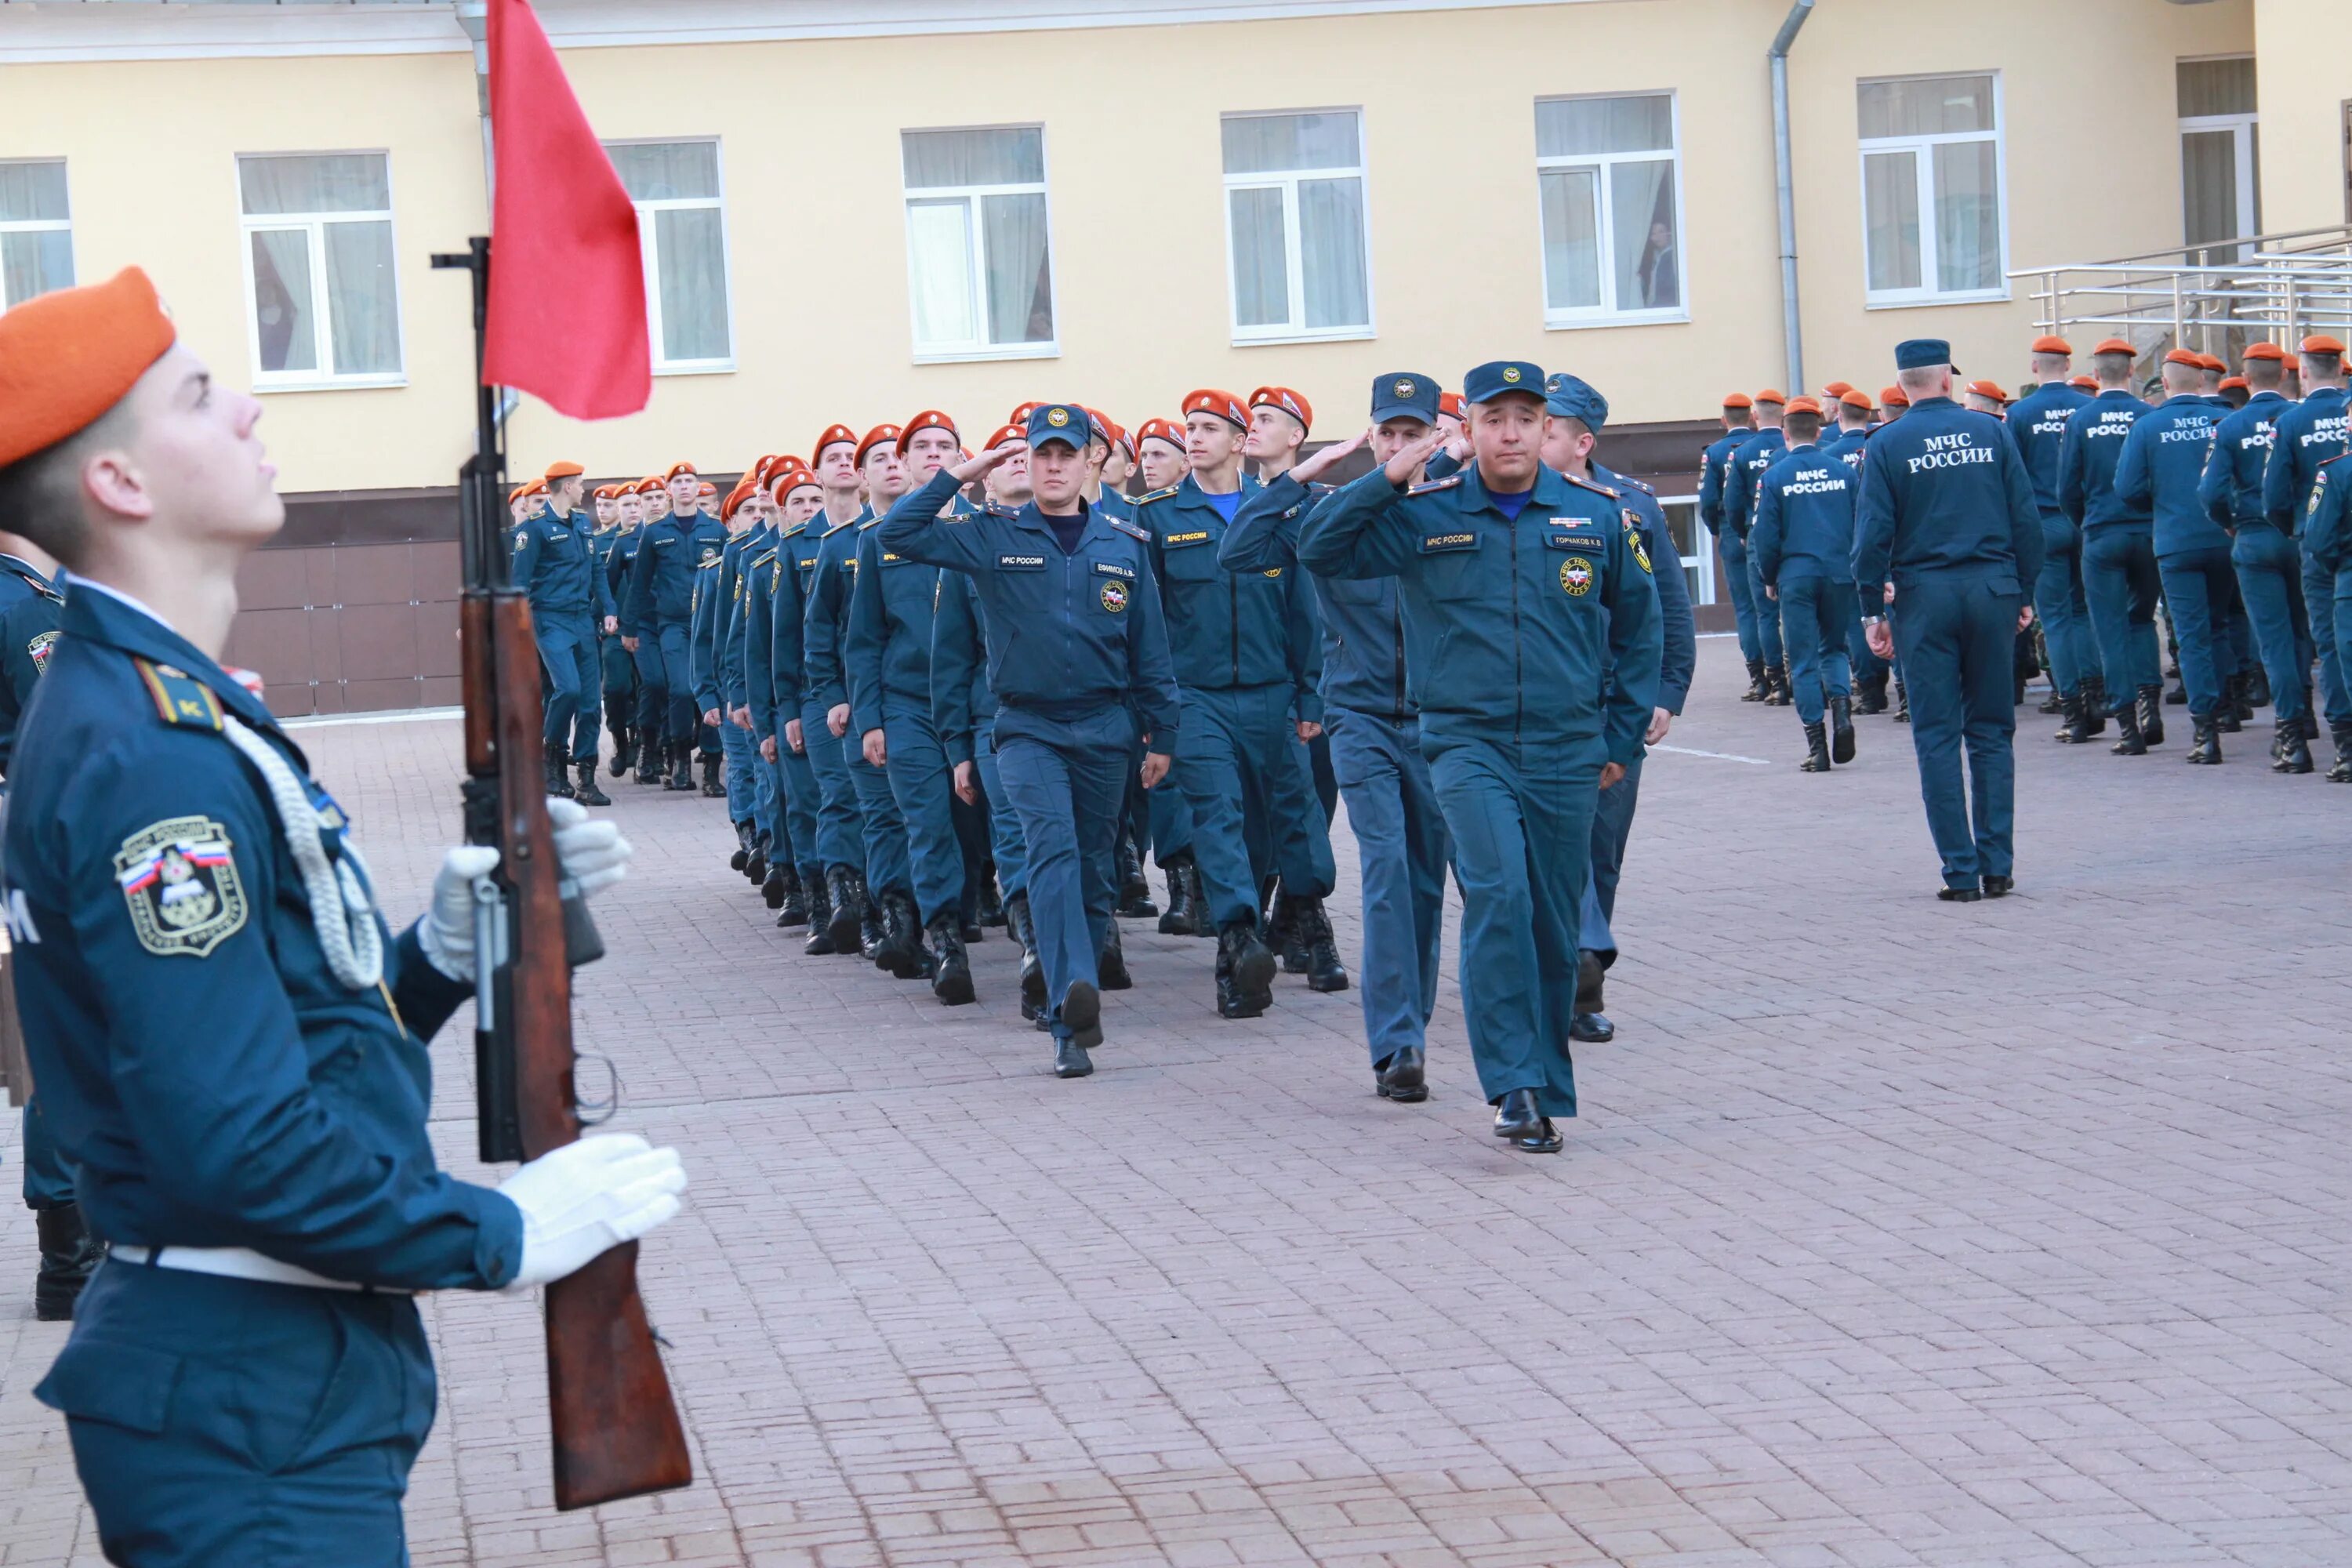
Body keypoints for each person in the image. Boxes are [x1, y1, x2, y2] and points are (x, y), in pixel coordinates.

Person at [0, 266, 685, 1565]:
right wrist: (506, 1233)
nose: (252, 409)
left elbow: (254, 1040)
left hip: (268, 1374)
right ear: (122, 486)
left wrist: (431, 959)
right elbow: (235, 1140)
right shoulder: (153, 752)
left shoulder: (156, 710)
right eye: (201, 396)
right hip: (245, 1390)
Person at [1299, 359, 1661, 1156]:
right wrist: (1392, 471)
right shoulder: (1426, 513)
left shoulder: (1595, 515)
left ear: (1544, 429)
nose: (1509, 433)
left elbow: (1641, 626)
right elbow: (1321, 546)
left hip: (1568, 748)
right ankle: (1517, 1088)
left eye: (1525, 419)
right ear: (1468, 429)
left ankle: (1542, 1075)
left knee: (1550, 917)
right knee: (1496, 892)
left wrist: (1620, 738)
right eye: (1493, 418)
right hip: (1466, 742)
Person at [881, 403, 1179, 1078]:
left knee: (1097, 866)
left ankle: (1080, 988)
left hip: (1107, 727)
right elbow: (899, 533)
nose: (1051, 465)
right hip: (1026, 728)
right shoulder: (991, 535)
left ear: (1088, 461)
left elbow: (1151, 651)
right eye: (1041, 453)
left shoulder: (1123, 544)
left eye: (1065, 454)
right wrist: (962, 472)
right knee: (1050, 851)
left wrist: (1164, 732)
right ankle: (1066, 1009)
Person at [1221, 372, 1454, 1102]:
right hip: (1358, 717)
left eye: (1414, 434)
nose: (1400, 446)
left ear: (1439, 439)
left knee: (1424, 880)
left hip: (1440, 721)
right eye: (1388, 433)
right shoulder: (1332, 511)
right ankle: (1397, 1046)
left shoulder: (1456, 511)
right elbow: (1239, 549)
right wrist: (1304, 473)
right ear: (1372, 439)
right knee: (1384, 870)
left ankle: (1408, 1018)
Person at [1139, 389, 1340, 1018]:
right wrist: (1155, 706)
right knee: (1218, 818)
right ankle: (1237, 943)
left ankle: (1308, 916)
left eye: (1209, 428)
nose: (1193, 438)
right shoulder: (1159, 516)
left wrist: (1309, 694)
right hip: (1195, 698)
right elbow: (1145, 622)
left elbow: (1302, 612)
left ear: (1238, 441)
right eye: (1189, 428)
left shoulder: (1277, 510)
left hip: (1272, 691)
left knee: (1297, 815)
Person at [1853, 339, 2044, 900]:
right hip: (1991, 591)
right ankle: (1998, 865)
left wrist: (1872, 611)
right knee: (1991, 731)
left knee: (1937, 735)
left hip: (1923, 598)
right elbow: (2025, 520)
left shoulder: (1886, 443)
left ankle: (1960, 873)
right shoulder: (1992, 431)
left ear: (1904, 385)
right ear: (1945, 380)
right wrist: (2023, 592)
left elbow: (1870, 539)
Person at [1540, 373, 1693, 1046]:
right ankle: (1551, 970)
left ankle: (1582, 980)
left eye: (1547, 428)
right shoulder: (1509, 499)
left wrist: (1667, 692)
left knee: (1600, 848)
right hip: (1543, 703)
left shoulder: (1631, 506)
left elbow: (1667, 606)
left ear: (1582, 442)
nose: (1529, 435)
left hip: (1614, 705)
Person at [0, 527, 93, 1320]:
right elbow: (63, 729)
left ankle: (72, 1245)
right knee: (57, 1035)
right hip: (35, 825)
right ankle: (71, 1255)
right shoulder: (25, 607)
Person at [853, 410, 978, 1000]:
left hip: (978, 705)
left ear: (964, 456)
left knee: (972, 824)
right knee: (927, 822)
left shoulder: (989, 529)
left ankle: (976, 912)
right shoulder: (879, 541)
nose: (933, 453)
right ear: (902, 464)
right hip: (909, 705)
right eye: (921, 446)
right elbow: (865, 638)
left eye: (944, 445)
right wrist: (871, 719)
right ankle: (945, 938)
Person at [933, 427, 1049, 1011]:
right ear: (985, 476)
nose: (1020, 466)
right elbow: (951, 657)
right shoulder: (970, 544)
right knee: (1014, 832)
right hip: (996, 718)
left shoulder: (1087, 536)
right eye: (1005, 458)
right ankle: (1034, 944)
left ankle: (1078, 937)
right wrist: (957, 747)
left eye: (1028, 456)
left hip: (1082, 718)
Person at [808, 425, 907, 958]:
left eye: (900, 456)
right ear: (863, 477)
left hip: (920, 696)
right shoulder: (840, 546)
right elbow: (819, 631)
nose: (892, 466)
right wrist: (832, 696)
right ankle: (875, 913)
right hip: (861, 698)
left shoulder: (937, 533)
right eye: (879, 460)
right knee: (873, 812)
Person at [778, 426, 875, 953]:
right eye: (831, 457)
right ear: (817, 472)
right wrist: (787, 707)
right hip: (819, 692)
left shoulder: (881, 532)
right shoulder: (797, 545)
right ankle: (831, 901)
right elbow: (786, 634)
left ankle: (873, 905)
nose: (842, 464)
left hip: (875, 688)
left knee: (875, 799)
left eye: (849, 457)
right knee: (832, 792)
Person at [2115, 350, 2230, 762]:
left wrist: (2162, 503)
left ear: (2165, 385)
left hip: (2175, 540)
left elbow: (2127, 489)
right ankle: (2222, 713)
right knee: (2219, 628)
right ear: (2201, 382)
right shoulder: (2224, 418)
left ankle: (2205, 734)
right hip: (2222, 537)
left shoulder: (2148, 426)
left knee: (2193, 635)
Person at [2201, 341, 2312, 771]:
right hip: (2303, 534)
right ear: (2285, 376)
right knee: (2306, 630)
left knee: (2274, 637)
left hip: (2253, 535)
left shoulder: (2230, 425)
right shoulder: (2300, 418)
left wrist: (2228, 520)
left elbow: (2210, 491)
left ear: (2245, 381)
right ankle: (2309, 716)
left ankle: (2291, 734)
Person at [2059, 338, 2163, 753]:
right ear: (2132, 372)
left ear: (2096, 375)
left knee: (2109, 627)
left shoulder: (2082, 420)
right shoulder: (2148, 416)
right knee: (2141, 620)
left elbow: (2067, 489)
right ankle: (2150, 706)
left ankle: (2126, 724)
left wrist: (2087, 524)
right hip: (2147, 531)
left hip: (2102, 533)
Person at [1752, 396, 1860, 772]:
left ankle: (1817, 747)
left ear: (1785, 433)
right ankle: (1843, 713)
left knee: (1802, 659)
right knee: (1833, 649)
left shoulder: (1774, 477)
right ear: (1819, 431)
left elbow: (1765, 536)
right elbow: (1860, 524)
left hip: (1795, 576)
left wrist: (1768, 578)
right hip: (1838, 572)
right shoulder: (1844, 472)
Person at [2266, 336, 2352, 777]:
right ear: (2341, 368)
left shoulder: (2292, 420)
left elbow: (2275, 496)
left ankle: (2344, 745)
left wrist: (2294, 532)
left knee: (2333, 647)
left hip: (2320, 547)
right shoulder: (2345, 409)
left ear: (2301, 372)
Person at [2007, 336, 2100, 742]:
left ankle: (2075, 707)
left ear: (2034, 367)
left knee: (2058, 618)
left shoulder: (2021, 414)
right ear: (2068, 364)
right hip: (2084, 520)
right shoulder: (2087, 408)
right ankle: (2098, 694)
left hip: (2044, 523)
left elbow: (2011, 478)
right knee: (2084, 612)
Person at [510, 459, 615, 806]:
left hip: (582, 620)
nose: (584, 488)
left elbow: (597, 570)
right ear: (567, 486)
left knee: (589, 704)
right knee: (567, 689)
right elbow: (520, 583)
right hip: (549, 619)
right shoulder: (536, 529)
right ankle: (551, 756)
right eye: (580, 483)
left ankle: (586, 778)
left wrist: (610, 609)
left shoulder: (583, 524)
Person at [743, 467, 822, 920]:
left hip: (826, 695)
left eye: (814, 501)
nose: (808, 510)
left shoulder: (848, 545)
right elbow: (756, 649)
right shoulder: (763, 565)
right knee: (793, 798)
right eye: (798, 503)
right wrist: (761, 713)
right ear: (780, 509)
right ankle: (798, 888)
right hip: (784, 700)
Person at [622, 461, 722, 790]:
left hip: (711, 623)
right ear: (669, 490)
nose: (683, 486)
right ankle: (679, 757)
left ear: (697, 487)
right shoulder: (655, 532)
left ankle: (710, 766)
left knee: (712, 691)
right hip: (673, 624)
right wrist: (630, 627)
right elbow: (639, 584)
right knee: (680, 689)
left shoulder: (717, 530)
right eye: (677, 481)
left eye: (689, 480)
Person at [1722, 391, 1792, 704]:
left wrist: (1743, 533)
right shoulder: (1790, 446)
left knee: (1762, 613)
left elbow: (1729, 504)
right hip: (1795, 537)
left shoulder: (1742, 453)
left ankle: (1772, 682)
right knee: (1794, 612)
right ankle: (1803, 677)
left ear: (1755, 415)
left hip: (1756, 536)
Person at [1698, 395, 1767, 701]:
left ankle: (1759, 678)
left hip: (1732, 532)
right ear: (1752, 417)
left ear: (1724, 419)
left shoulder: (1715, 453)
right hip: (1767, 530)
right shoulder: (1767, 447)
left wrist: (1720, 530)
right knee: (1771, 609)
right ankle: (1783, 675)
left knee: (1747, 609)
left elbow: (1709, 502)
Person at [593, 485, 644, 776]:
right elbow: (597, 586)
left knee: (646, 688)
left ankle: (642, 742)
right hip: (613, 629)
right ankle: (620, 740)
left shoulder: (648, 539)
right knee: (615, 688)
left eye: (638, 504)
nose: (633, 510)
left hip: (647, 627)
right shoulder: (601, 541)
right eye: (626, 505)